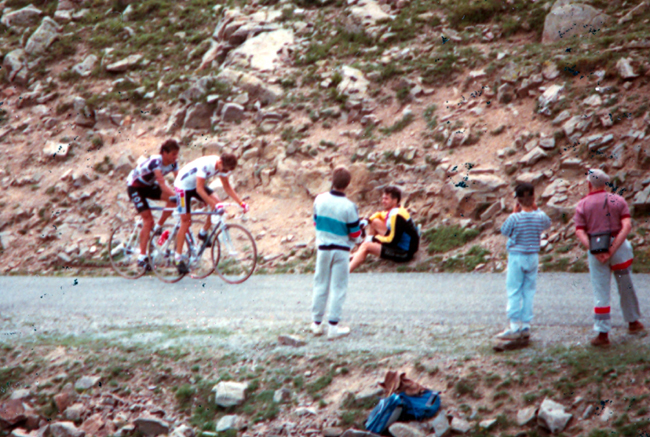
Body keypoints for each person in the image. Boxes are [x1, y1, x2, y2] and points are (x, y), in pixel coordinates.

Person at [574, 169, 644, 347]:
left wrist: (595, 249)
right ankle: (633, 322)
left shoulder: (582, 204)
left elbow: (579, 230)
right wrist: (612, 249)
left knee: (601, 290)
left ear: (589, 184)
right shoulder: (617, 200)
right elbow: (626, 226)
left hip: (596, 248)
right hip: (620, 248)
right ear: (605, 184)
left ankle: (603, 333)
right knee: (625, 285)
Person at [173, 154, 249, 274]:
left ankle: (203, 233)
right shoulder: (206, 165)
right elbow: (199, 189)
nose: (224, 172)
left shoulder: (223, 166)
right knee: (186, 221)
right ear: (219, 162)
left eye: (227, 171)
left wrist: (241, 203)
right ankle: (177, 258)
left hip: (194, 185)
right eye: (224, 170)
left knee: (218, 201)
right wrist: (212, 204)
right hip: (182, 186)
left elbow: (227, 187)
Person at [311, 167, 361, 340]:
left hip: (323, 248)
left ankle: (316, 323)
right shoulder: (349, 206)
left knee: (320, 284)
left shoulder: (319, 199)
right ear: (347, 184)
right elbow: (355, 234)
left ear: (332, 180)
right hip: (341, 250)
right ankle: (333, 326)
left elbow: (316, 222)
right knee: (338, 287)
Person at [497, 182, 551, 340]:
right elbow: (547, 224)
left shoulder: (514, 217)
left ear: (518, 200)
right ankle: (526, 325)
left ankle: (514, 325)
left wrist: (514, 212)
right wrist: (536, 208)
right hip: (533, 256)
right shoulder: (539, 216)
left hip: (516, 256)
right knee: (529, 291)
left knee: (514, 290)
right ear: (533, 198)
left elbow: (505, 231)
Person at [126, 139, 180, 270]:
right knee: (148, 220)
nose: (175, 157)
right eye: (173, 154)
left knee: (174, 200)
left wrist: (184, 194)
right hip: (135, 187)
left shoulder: (173, 164)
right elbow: (162, 184)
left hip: (149, 186)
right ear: (164, 153)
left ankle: (159, 225)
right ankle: (141, 257)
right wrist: (178, 195)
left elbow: (179, 182)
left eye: (177, 154)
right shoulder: (156, 162)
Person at [349, 186, 419, 272]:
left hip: (404, 252)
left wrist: (374, 239)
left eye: (386, 199)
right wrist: (367, 221)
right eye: (382, 198)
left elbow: (392, 241)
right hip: (399, 244)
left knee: (366, 245)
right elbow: (379, 214)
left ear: (395, 200)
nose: (383, 201)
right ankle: (360, 252)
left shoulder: (396, 216)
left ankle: (347, 271)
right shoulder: (396, 209)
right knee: (375, 222)